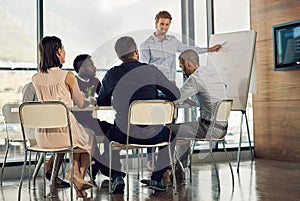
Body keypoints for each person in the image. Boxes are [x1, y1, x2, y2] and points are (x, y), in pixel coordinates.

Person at [97, 36, 180, 193]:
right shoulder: (151, 70)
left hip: (124, 133)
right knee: (172, 135)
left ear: (119, 56)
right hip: (152, 133)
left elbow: (102, 100)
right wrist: (157, 98)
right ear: (136, 52)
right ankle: (156, 178)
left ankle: (116, 176)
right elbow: (175, 94)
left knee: (109, 137)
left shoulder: (112, 74)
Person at [140, 11, 222, 168]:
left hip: (169, 85)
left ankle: (168, 164)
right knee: (152, 122)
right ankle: (151, 160)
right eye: (162, 24)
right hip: (154, 85)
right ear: (156, 24)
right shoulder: (146, 45)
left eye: (167, 24)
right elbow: (144, 68)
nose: (164, 27)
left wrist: (209, 50)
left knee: (170, 120)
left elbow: (189, 50)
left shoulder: (173, 41)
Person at [31, 36, 100, 198]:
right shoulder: (67, 76)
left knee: (79, 139)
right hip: (65, 132)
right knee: (89, 137)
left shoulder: (35, 78)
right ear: (58, 52)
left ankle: (76, 175)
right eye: (64, 50)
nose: (65, 53)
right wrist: (91, 99)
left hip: (44, 136)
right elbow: (81, 103)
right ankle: (78, 178)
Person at [173, 49, 227, 168]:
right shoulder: (215, 75)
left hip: (208, 128)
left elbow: (175, 98)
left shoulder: (196, 78)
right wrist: (191, 102)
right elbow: (210, 98)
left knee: (169, 130)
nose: (182, 71)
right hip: (222, 127)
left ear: (187, 63)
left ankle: (166, 172)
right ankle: (179, 168)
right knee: (184, 129)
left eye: (182, 67)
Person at [72, 54, 112, 186]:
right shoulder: (73, 82)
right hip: (77, 122)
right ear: (81, 69)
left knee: (111, 131)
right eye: (91, 65)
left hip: (91, 121)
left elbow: (104, 99)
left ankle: (98, 165)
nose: (94, 67)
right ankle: (104, 168)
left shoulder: (95, 81)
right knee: (91, 135)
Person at [22, 82, 70, 188]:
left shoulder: (54, 87)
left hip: (46, 128)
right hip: (34, 130)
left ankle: (51, 170)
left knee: (67, 137)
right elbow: (26, 110)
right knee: (66, 139)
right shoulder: (30, 87)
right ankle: (52, 171)